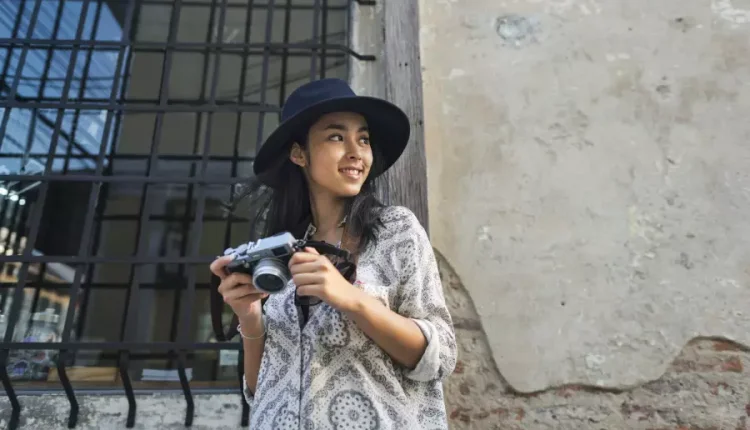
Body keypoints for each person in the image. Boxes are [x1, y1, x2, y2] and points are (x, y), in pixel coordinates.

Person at [210, 78, 456, 429]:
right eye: (337, 137)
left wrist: (350, 298)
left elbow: (440, 355)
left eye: (364, 139)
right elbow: (260, 389)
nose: (356, 151)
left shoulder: (395, 230)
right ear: (299, 154)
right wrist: (249, 318)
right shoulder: (284, 248)